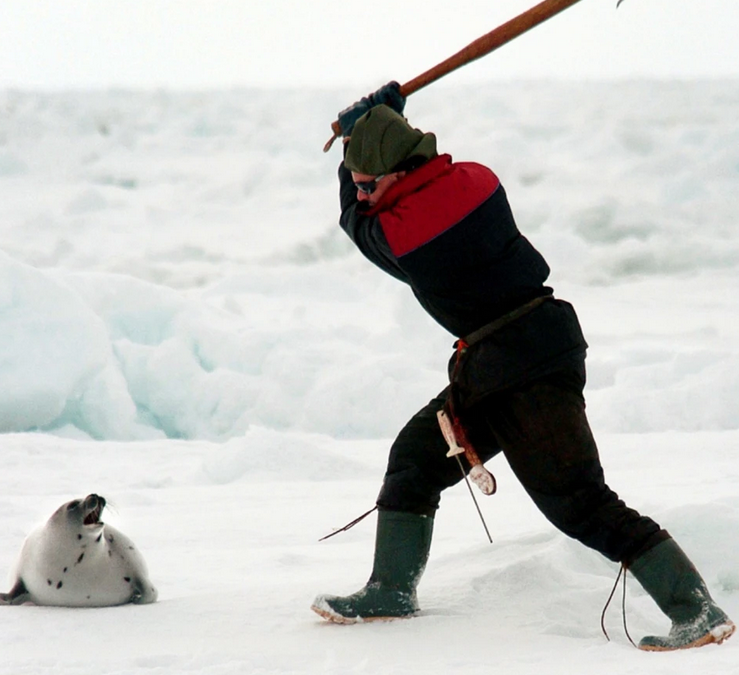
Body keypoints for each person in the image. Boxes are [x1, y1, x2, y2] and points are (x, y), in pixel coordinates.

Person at [311, 82, 735, 652]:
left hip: (524, 368)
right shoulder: (477, 180)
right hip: (508, 357)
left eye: (368, 184)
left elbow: (355, 224)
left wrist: (350, 145)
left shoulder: (408, 231)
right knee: (415, 458)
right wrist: (378, 127)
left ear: (401, 172)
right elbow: (392, 191)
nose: (362, 195)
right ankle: (390, 590)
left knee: (580, 503)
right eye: (358, 183)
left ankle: (697, 611)